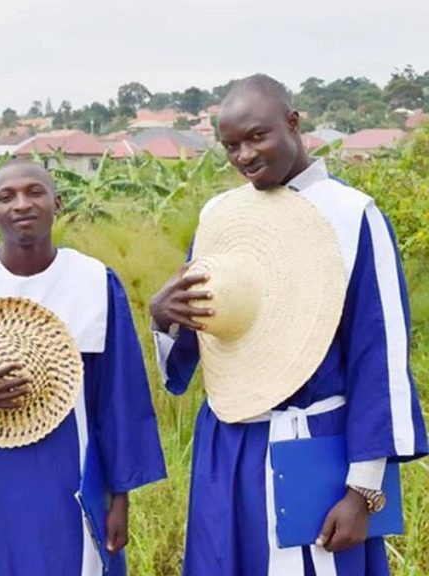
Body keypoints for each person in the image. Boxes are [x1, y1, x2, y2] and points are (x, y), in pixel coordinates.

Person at [149, 74, 428, 576]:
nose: (245, 156)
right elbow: (204, 339)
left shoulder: (352, 216)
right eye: (231, 145)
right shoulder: (221, 218)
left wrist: (363, 490)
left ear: (293, 123)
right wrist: (164, 319)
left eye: (257, 136)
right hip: (229, 451)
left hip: (317, 447)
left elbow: (378, 356)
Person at [0, 160, 166, 576]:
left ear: (57, 203)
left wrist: (119, 496)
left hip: (71, 467)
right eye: (6, 197)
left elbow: (118, 396)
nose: (21, 204)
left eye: (34, 192)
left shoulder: (94, 282)